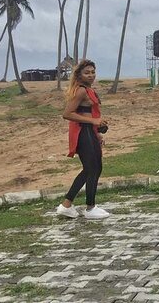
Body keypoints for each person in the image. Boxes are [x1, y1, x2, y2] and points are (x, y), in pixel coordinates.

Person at [56, 59, 110, 219]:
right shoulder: (80, 91)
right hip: (82, 132)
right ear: (79, 75)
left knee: (93, 168)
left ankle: (67, 205)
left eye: (93, 72)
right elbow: (67, 113)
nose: (91, 75)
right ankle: (90, 208)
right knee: (92, 168)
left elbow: (89, 112)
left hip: (90, 132)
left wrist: (98, 132)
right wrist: (93, 122)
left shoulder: (89, 90)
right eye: (87, 72)